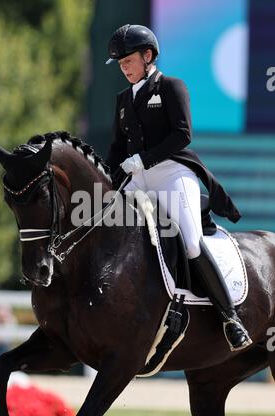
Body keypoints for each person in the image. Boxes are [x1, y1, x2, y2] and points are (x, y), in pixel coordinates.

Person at [105, 24, 252, 351]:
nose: (124, 68)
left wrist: (143, 159)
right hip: (136, 176)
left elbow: (183, 134)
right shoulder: (122, 99)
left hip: (172, 173)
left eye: (127, 60)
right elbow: (117, 146)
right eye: (119, 64)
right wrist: (108, 177)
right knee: (109, 231)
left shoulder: (171, 87)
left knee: (190, 242)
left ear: (147, 55)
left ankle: (230, 318)